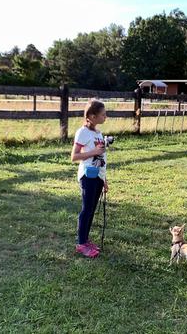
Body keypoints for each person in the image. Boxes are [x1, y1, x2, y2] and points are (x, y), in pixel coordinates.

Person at [70, 99, 109, 258]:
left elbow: (102, 158)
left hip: (98, 176)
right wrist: (94, 152)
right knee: (86, 210)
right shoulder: (83, 132)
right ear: (92, 116)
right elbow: (74, 156)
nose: (106, 117)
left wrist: (104, 179)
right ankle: (81, 244)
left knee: (92, 209)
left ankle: (85, 239)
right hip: (88, 176)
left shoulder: (98, 133)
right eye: (103, 114)